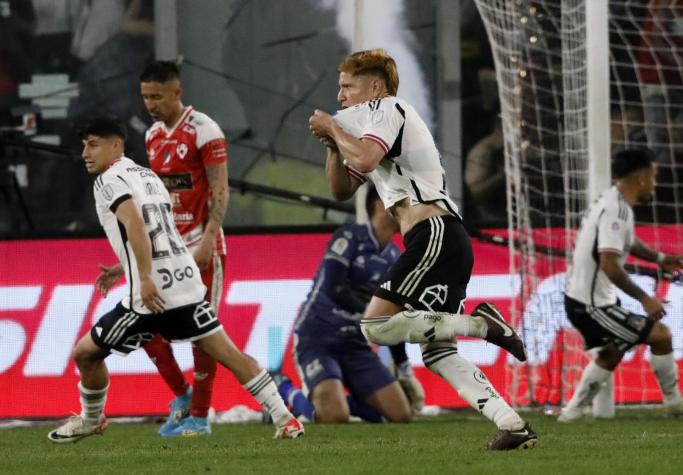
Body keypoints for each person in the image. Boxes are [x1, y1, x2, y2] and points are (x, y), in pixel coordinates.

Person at [308, 48, 537, 450]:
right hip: (442, 237)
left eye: (347, 87)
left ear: (374, 87)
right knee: (438, 354)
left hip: (434, 233)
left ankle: (482, 325)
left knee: (375, 327)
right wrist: (332, 144)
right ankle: (513, 426)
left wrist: (332, 126)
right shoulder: (370, 123)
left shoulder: (388, 108)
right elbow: (341, 190)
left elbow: (364, 155)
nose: (340, 97)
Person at [47, 116, 302, 443]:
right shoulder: (148, 176)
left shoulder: (109, 180)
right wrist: (121, 265)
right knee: (229, 354)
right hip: (185, 282)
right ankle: (285, 418)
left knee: (85, 354)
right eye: (84, 145)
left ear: (116, 146)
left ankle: (91, 419)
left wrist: (142, 277)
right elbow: (161, 232)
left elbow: (137, 225)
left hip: (151, 294)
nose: (85, 152)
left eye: (93, 144)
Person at [96, 60, 230, 436]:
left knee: (204, 334)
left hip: (202, 248)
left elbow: (219, 188)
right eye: (145, 97)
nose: (150, 103)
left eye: (157, 96)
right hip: (165, 250)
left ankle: (201, 419)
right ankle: (183, 397)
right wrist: (127, 265)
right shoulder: (154, 136)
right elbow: (154, 206)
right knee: (146, 327)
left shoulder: (204, 130)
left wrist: (208, 238)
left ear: (177, 92)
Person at [557, 148, 683, 422]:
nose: (655, 183)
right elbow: (609, 263)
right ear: (642, 178)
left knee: (612, 352)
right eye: (654, 176)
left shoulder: (614, 201)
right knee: (660, 335)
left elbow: (626, 242)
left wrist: (659, 258)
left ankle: (571, 414)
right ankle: (674, 402)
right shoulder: (615, 210)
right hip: (590, 305)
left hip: (589, 299)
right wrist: (645, 298)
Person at [277, 186, 423, 423]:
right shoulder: (348, 237)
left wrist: (404, 367)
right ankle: (284, 389)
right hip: (317, 338)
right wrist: (371, 313)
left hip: (354, 345)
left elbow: (392, 317)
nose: (408, 211)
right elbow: (335, 288)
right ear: (380, 205)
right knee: (334, 417)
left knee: (401, 415)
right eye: (402, 204)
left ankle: (345, 402)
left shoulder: (395, 258)